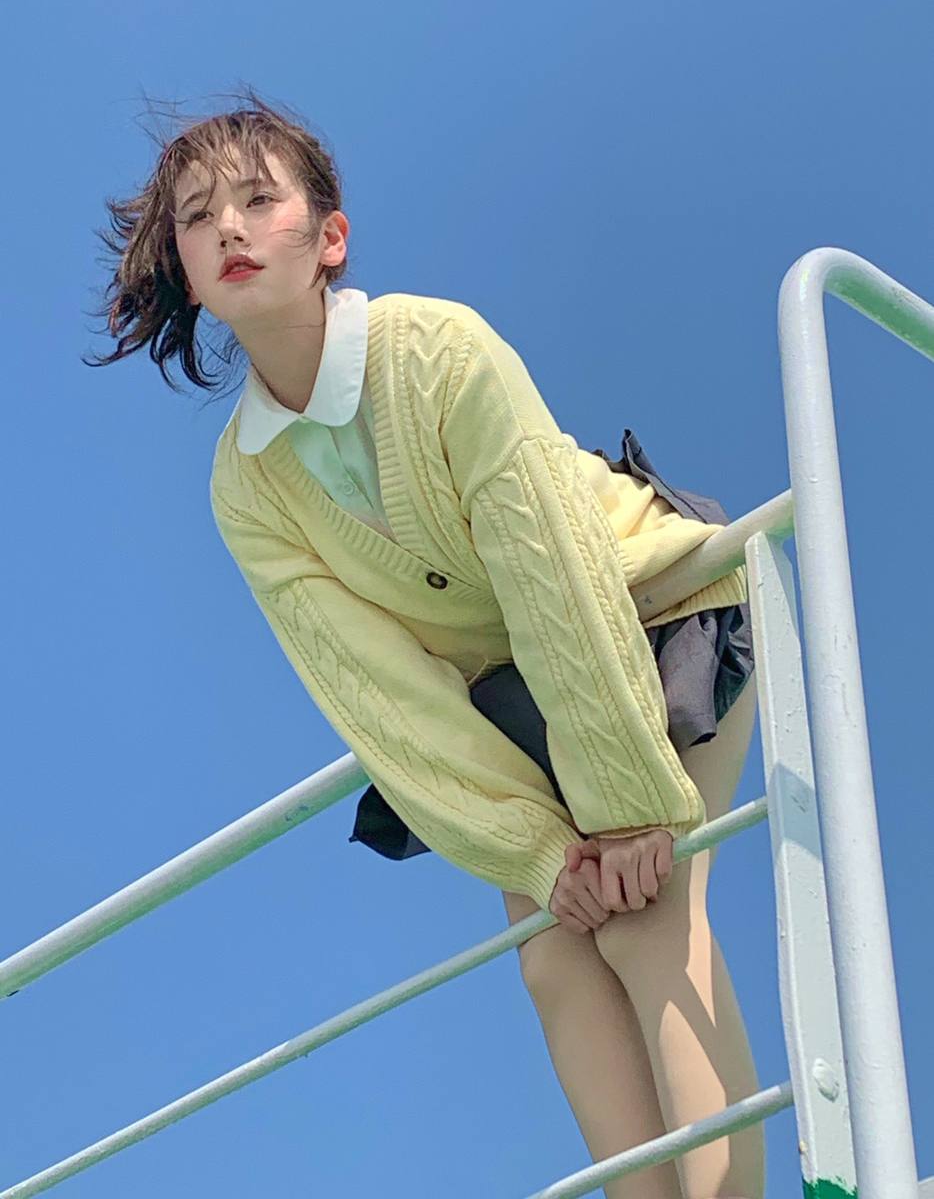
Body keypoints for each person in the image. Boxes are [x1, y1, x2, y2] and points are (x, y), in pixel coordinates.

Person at [86, 88, 764, 1199]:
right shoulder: (245, 485)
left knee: (646, 917)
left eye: (259, 201)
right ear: (188, 273)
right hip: (511, 696)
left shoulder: (437, 349)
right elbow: (377, 689)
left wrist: (627, 803)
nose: (230, 229)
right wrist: (536, 850)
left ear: (330, 238)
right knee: (554, 958)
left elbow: (552, 572)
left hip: (650, 609)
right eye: (199, 218)